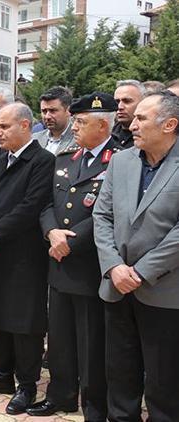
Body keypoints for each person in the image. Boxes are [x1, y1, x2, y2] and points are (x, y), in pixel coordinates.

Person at [30, 92, 118, 420]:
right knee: (61, 339)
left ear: (102, 124)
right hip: (59, 261)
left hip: (90, 265)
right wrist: (52, 233)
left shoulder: (119, 159)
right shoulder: (65, 157)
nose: (75, 128)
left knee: (91, 343)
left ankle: (94, 406)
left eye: (81, 122)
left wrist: (72, 241)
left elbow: (109, 214)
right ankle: (60, 395)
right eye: (76, 121)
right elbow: (47, 204)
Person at [92, 91, 179, 421]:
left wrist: (141, 272)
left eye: (142, 118)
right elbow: (102, 216)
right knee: (121, 377)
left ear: (169, 124)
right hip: (117, 288)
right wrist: (114, 266)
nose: (131, 124)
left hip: (164, 292)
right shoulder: (122, 160)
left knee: (164, 383)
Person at [0, 103, 55, 415]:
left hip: (22, 256)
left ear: (26, 126)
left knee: (23, 324)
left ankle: (27, 385)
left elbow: (32, 206)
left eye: (5, 126)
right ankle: (0, 376)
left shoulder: (42, 160)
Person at [35, 86, 75, 155]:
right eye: (44, 111)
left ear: (68, 111)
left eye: (52, 111)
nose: (47, 116)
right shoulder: (34, 139)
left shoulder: (79, 141)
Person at [112, 80, 146, 149]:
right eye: (117, 102)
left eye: (127, 101)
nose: (120, 107)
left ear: (143, 102)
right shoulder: (107, 135)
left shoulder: (151, 136)